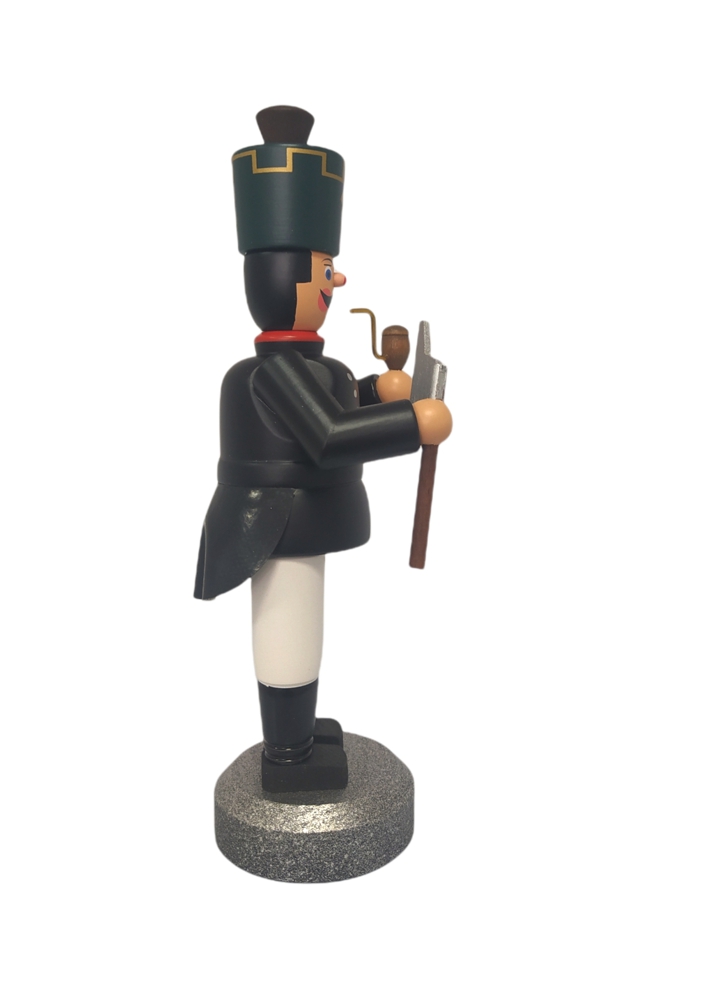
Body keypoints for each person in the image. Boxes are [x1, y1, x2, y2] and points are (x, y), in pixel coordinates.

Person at [194, 106, 452, 793]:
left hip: (298, 522)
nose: (336, 283)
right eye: (323, 269)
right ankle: (287, 756)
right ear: (283, 278)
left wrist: (375, 390)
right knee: (290, 628)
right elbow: (327, 437)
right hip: (276, 525)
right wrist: (413, 423)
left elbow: (335, 406)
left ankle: (299, 734)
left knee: (300, 625)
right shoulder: (273, 374)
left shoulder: (304, 367)